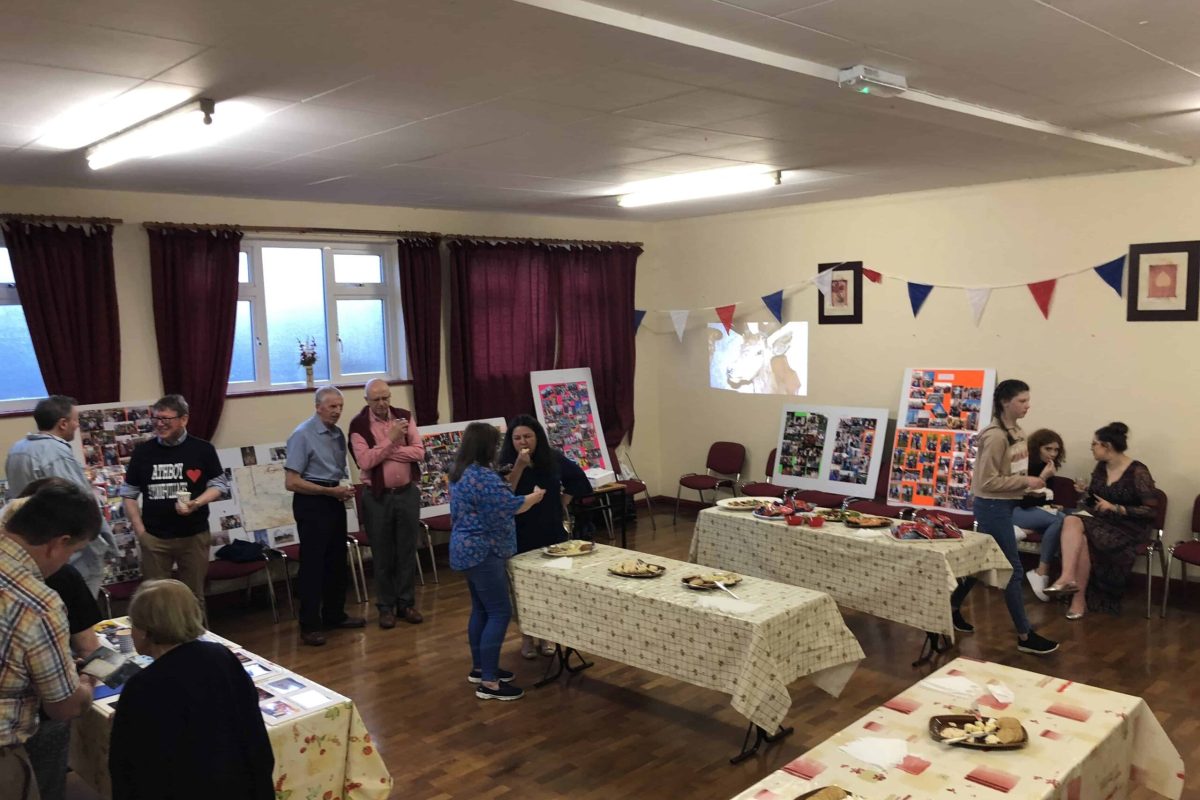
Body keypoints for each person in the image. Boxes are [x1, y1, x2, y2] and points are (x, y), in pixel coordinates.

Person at [108, 579, 274, 800]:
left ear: (147, 630)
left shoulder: (143, 685)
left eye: (133, 624)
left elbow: (128, 770)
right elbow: (253, 733)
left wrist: (121, 724)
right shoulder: (222, 656)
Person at [0, 482, 102, 800]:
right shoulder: (38, 603)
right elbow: (62, 707)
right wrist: (85, 682)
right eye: (73, 552)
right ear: (59, 543)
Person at [950, 379, 1058, 655]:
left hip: (1009, 504)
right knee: (1013, 570)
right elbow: (986, 483)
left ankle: (950, 607)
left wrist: (1033, 481)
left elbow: (1013, 474)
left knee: (982, 561)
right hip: (993, 507)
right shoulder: (996, 436)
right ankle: (1025, 635)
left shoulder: (1016, 431)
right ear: (1005, 403)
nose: (1027, 405)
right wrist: (1029, 482)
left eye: (1027, 400)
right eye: (1022, 401)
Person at [449, 422, 545, 701]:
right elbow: (510, 506)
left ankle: (481, 668)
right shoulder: (483, 477)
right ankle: (490, 682)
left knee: (480, 609)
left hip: (464, 548)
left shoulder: (459, 472)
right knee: (499, 612)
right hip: (484, 551)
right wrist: (535, 497)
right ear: (485, 447)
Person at [120, 395, 229, 612]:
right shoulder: (143, 452)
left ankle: (195, 641)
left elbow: (219, 485)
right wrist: (141, 532)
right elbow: (129, 494)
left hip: (193, 536)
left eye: (166, 419)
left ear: (184, 419)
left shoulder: (203, 449)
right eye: (156, 419)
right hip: (155, 538)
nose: (160, 424)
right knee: (156, 598)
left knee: (193, 597)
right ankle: (162, 644)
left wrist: (196, 503)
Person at [498, 415, 592, 658]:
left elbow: (577, 478)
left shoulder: (552, 458)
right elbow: (505, 492)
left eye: (527, 436)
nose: (523, 441)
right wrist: (519, 464)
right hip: (520, 530)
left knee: (551, 583)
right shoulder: (506, 461)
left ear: (537, 436)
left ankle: (549, 635)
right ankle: (527, 636)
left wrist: (564, 500)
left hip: (550, 528)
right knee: (523, 587)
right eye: (517, 437)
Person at [5, 395, 117, 597]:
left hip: (34, 544)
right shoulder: (56, 452)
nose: (77, 425)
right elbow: (78, 502)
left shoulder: (17, 449)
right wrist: (106, 543)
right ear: (63, 423)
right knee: (77, 608)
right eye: (75, 420)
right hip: (67, 549)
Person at [1046, 422, 1158, 618]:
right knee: (1074, 525)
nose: (1092, 448)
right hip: (1101, 522)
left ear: (1107, 446)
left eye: (1094, 444)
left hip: (1129, 528)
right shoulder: (1100, 467)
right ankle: (1073, 588)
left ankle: (1073, 590)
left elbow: (1150, 511)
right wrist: (1085, 493)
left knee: (1076, 526)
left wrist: (1117, 508)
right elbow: (1095, 502)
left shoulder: (1138, 471)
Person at [285, 386, 364, 646]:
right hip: (312, 502)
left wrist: (340, 492)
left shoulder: (338, 434)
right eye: (332, 406)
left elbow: (337, 470)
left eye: (340, 406)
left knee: (336, 561)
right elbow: (292, 482)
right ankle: (309, 624)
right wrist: (329, 492)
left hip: (333, 499)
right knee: (313, 564)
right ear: (318, 407)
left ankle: (334, 615)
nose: (337, 411)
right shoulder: (302, 435)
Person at [349, 379, 426, 629]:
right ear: (367, 401)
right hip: (377, 497)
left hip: (407, 493)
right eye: (376, 399)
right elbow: (365, 461)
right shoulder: (358, 425)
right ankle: (385, 607)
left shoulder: (404, 417)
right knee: (382, 554)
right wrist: (392, 439)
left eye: (386, 398)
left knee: (406, 550)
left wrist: (384, 450)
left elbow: (419, 452)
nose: (382, 404)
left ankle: (406, 603)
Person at [1017, 428, 1070, 601]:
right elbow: (1022, 500)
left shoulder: (1048, 468)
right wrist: (1042, 477)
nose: (1053, 454)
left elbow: (1043, 498)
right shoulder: (1026, 466)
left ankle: (1026, 530)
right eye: (1048, 449)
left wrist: (1052, 505)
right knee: (1059, 520)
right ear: (1037, 447)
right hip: (1014, 510)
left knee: (1065, 518)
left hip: (1032, 512)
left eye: (1056, 450)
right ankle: (1041, 571)